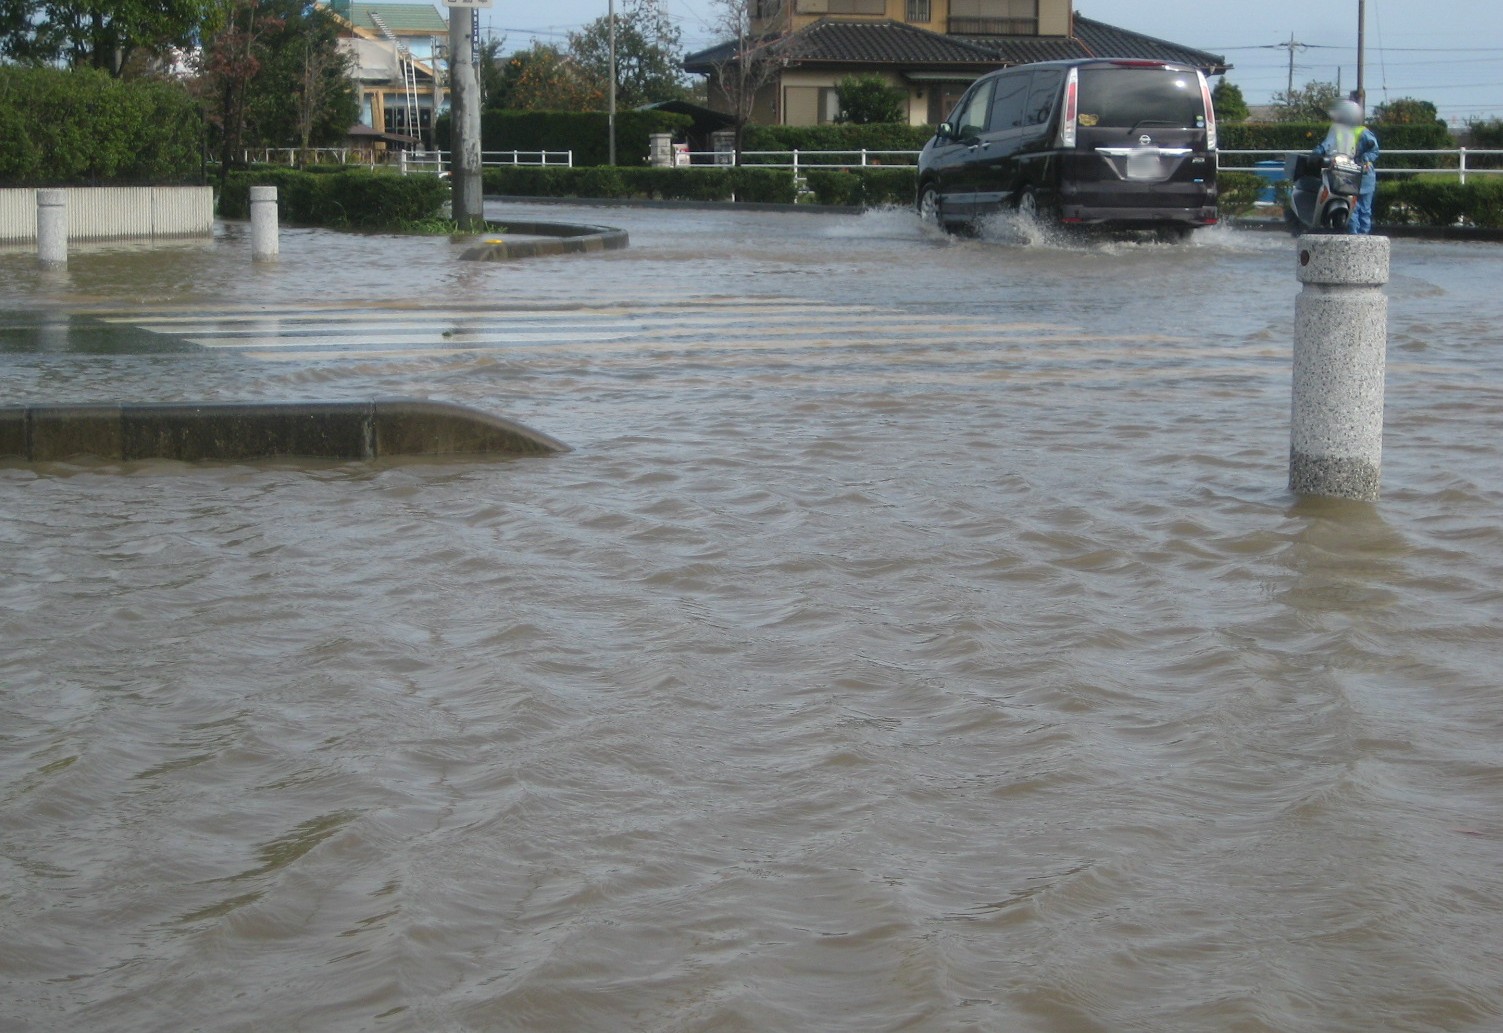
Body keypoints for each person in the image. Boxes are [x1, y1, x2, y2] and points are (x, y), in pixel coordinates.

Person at [1313, 99, 1380, 234]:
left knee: (1359, 208)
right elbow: (1326, 145)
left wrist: (1362, 160)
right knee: (1356, 208)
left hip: (1360, 173)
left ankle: (1359, 236)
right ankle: (1359, 236)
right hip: (1349, 171)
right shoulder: (1342, 130)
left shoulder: (1360, 132)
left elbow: (1325, 146)